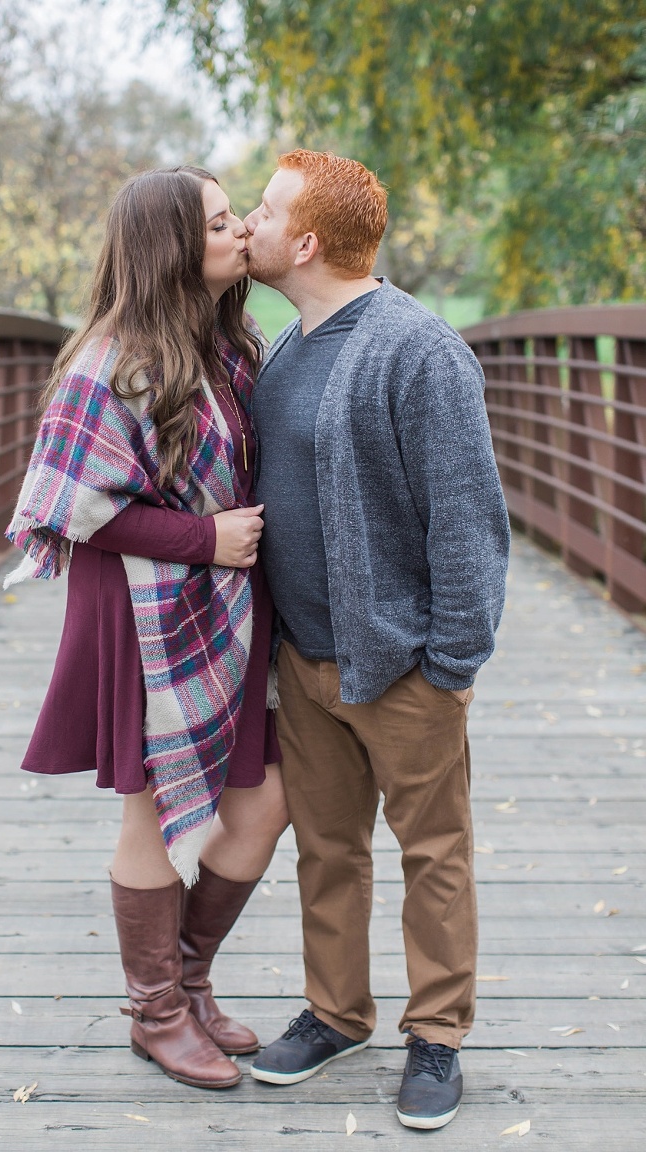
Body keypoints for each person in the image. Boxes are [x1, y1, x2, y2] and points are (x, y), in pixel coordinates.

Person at [4, 166, 288, 1090]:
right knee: (157, 813)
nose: (241, 228)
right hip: (139, 607)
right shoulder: (111, 359)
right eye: (218, 222)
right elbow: (68, 504)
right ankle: (156, 1013)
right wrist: (205, 537)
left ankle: (190, 981)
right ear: (172, 247)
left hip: (226, 606)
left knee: (266, 800)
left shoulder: (230, 342)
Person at [243, 150, 510, 1130]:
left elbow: (469, 520)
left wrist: (451, 666)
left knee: (433, 850)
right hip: (304, 662)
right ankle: (334, 1013)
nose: (251, 227)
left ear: (306, 241)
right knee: (327, 851)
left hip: (402, 668)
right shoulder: (280, 343)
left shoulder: (418, 349)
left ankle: (436, 1034)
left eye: (266, 212)